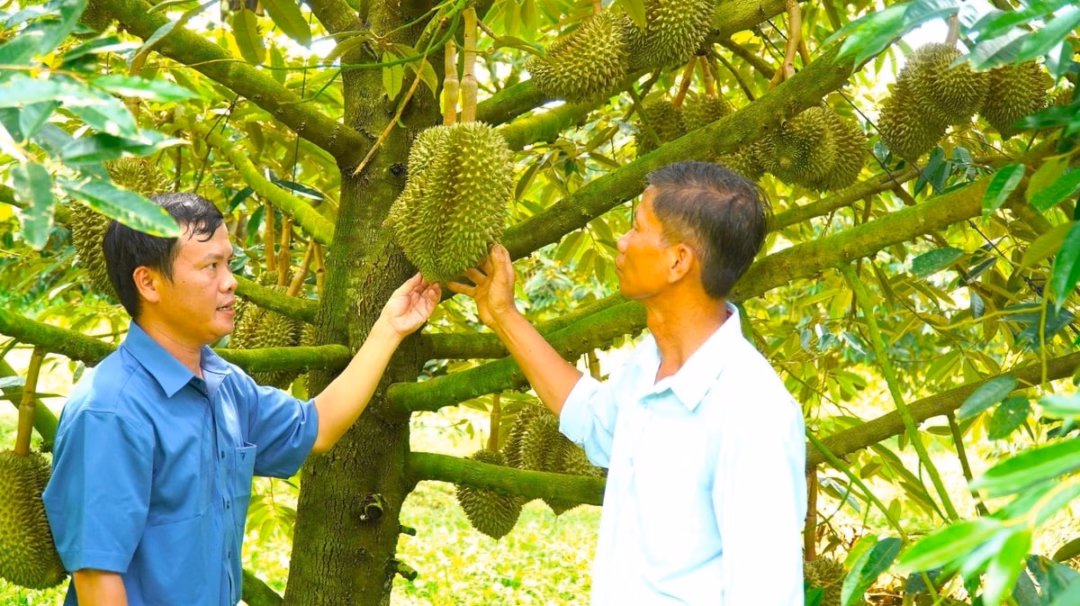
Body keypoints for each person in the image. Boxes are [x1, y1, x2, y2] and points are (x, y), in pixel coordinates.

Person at [43, 193, 440, 606]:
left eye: (228, 263)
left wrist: (388, 330)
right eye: (209, 266)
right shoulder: (110, 411)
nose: (230, 281)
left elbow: (315, 427)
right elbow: (97, 580)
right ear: (149, 283)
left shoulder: (225, 384)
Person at [449, 162, 807, 604]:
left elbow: (765, 593)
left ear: (678, 260)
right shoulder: (651, 365)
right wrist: (502, 314)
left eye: (636, 228)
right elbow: (592, 419)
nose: (622, 241)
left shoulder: (753, 413)